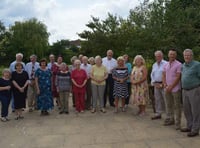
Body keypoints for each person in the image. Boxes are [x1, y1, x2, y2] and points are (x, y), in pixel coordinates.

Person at [180, 49, 200, 137]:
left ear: (192, 56)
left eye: (188, 55)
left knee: (195, 110)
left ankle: (195, 129)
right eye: (185, 55)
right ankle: (189, 126)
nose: (187, 57)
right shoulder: (183, 65)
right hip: (185, 90)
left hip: (194, 90)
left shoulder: (197, 65)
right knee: (186, 110)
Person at [162, 49, 182, 130]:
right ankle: (170, 119)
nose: (172, 56)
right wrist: (165, 84)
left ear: (175, 55)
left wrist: (171, 86)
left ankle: (178, 123)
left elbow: (178, 77)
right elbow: (163, 75)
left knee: (177, 106)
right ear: (168, 55)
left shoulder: (179, 64)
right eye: (170, 54)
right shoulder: (166, 64)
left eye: (173, 54)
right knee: (168, 105)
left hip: (175, 89)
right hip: (167, 88)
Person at [151, 51, 167, 120]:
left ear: (162, 56)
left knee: (166, 100)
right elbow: (152, 74)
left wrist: (163, 84)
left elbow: (167, 75)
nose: (158, 57)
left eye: (159, 56)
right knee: (157, 99)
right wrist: (154, 83)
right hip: (156, 84)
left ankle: (168, 115)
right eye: (156, 56)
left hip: (164, 84)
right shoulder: (154, 64)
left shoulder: (166, 63)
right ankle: (158, 113)